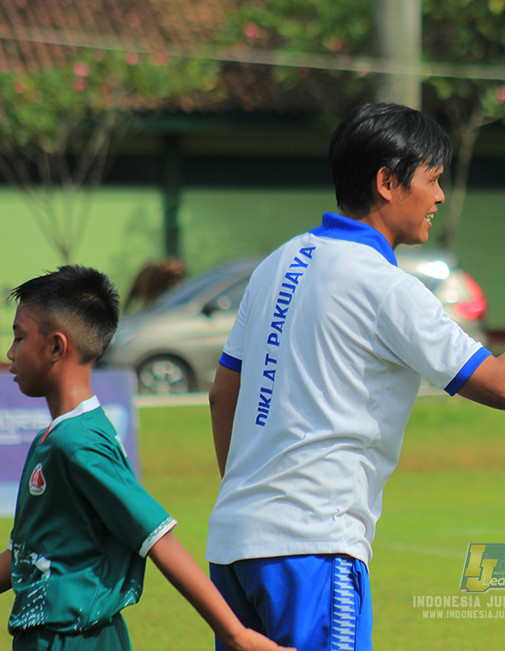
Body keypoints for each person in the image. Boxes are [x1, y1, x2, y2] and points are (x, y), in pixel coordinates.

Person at [205, 102, 505, 651]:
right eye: (432, 180)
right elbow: (502, 385)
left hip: (233, 546)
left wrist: (252, 500)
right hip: (312, 546)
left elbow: (224, 396)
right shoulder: (387, 288)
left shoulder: (277, 263)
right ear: (387, 182)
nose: (438, 197)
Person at [1, 265, 292, 651]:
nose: (10, 352)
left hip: (75, 640)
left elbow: (159, 539)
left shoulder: (80, 444)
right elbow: (26, 555)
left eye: (19, 337)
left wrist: (236, 635)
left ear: (57, 346)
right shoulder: (53, 439)